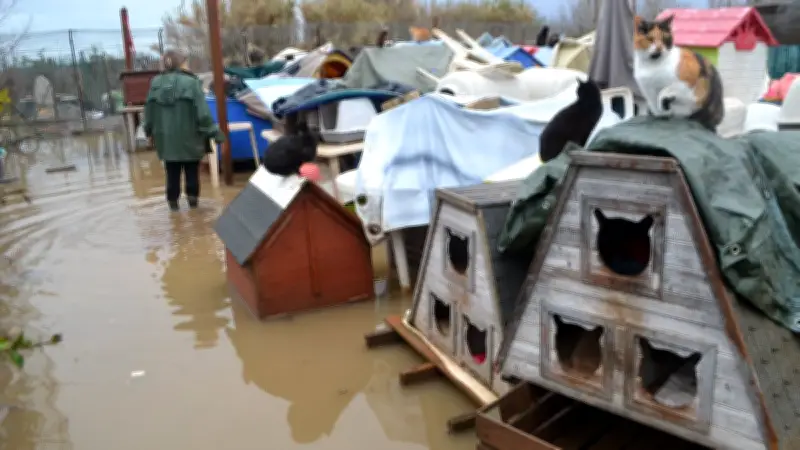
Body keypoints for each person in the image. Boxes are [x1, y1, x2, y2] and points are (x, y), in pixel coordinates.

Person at [144, 49, 225, 211]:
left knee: (171, 174)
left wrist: (148, 132)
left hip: (165, 139)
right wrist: (216, 134)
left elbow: (149, 112)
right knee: (192, 173)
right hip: (191, 137)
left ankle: (174, 212)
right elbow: (202, 113)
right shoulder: (192, 83)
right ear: (182, 63)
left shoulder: (155, 83)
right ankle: (194, 209)